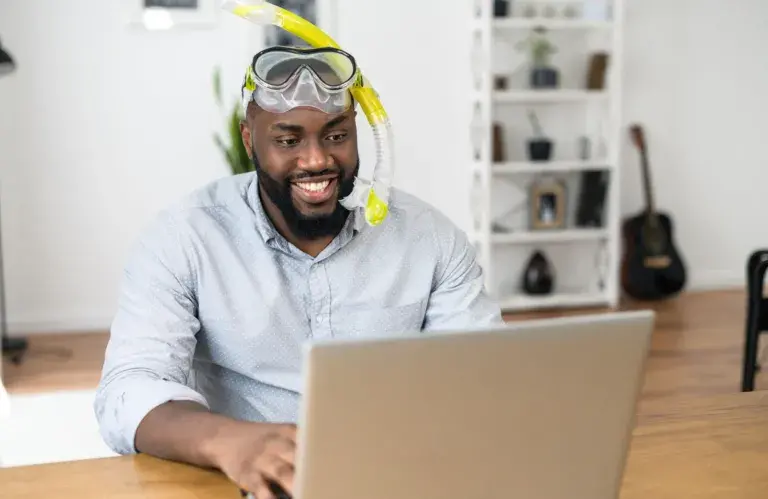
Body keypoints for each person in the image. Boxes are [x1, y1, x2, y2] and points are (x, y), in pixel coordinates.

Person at [94, 46, 503, 498]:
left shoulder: (431, 238)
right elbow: (127, 391)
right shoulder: (184, 238)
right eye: (288, 141)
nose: (316, 161)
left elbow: (486, 381)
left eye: (335, 136)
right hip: (248, 485)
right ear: (250, 140)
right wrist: (229, 441)